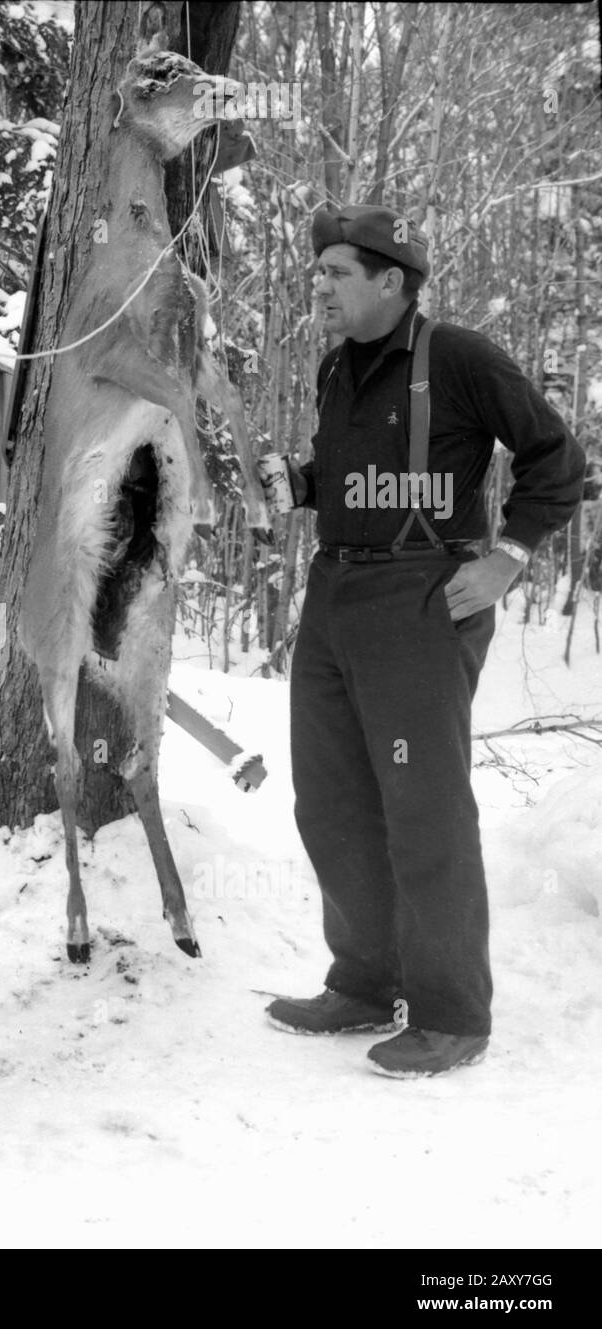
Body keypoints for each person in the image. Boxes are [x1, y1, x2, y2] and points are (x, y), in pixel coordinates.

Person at [263, 204, 585, 1077]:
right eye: (317, 271)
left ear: (390, 281)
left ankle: (450, 1015)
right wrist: (295, 481)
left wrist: (508, 558)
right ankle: (367, 982)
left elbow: (559, 460)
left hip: (420, 599)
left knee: (424, 806)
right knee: (330, 798)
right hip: (333, 595)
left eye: (335, 272)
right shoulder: (338, 371)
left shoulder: (461, 358)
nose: (319, 285)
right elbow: (345, 476)